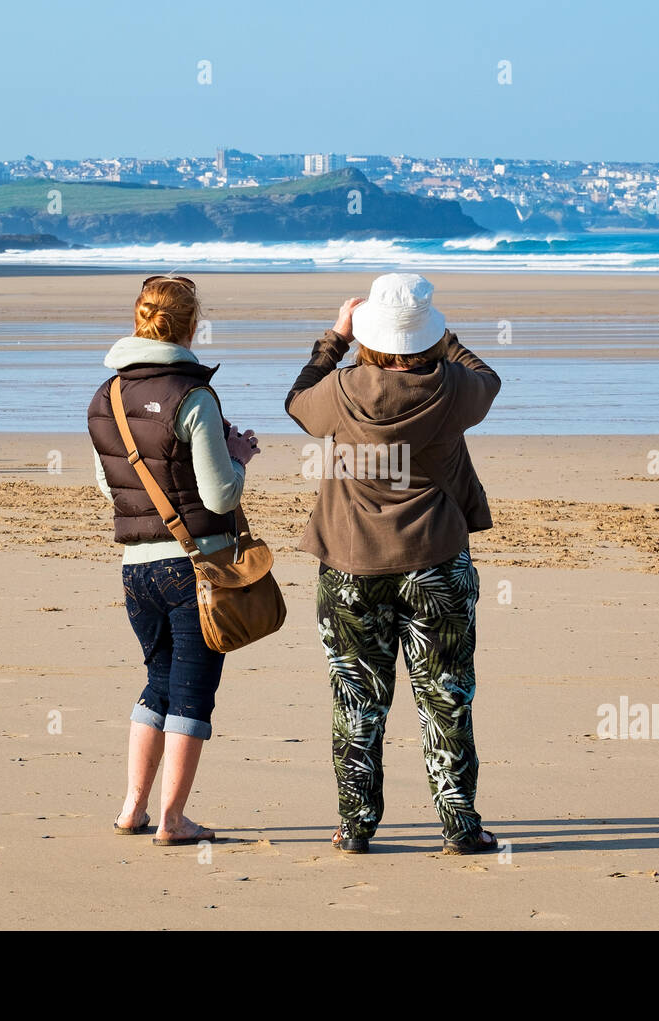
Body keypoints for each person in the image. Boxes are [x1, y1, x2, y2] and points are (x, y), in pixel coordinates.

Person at [284, 272, 502, 854]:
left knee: (357, 700)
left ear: (367, 334)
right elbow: (490, 378)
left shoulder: (342, 389)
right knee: (446, 697)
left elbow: (295, 401)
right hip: (435, 561)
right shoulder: (452, 387)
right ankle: (459, 827)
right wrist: (440, 337)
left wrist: (334, 337)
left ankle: (354, 828)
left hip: (349, 564)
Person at [87, 275, 260, 845]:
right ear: (191, 326)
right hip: (196, 566)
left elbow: (108, 484)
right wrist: (239, 458)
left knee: (157, 681)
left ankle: (133, 807)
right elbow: (220, 496)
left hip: (135, 567)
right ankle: (173, 820)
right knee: (192, 691)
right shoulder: (194, 396)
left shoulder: (105, 396)